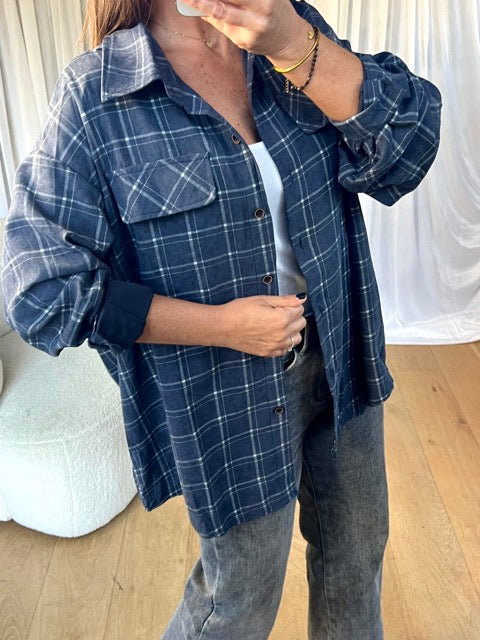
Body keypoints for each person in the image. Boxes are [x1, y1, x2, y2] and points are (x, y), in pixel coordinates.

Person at [2, 0, 441, 637]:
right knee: (238, 597)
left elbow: (408, 144)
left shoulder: (292, 32)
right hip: (228, 393)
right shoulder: (99, 93)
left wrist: (292, 43)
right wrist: (223, 327)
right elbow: (40, 289)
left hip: (343, 349)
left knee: (358, 551)